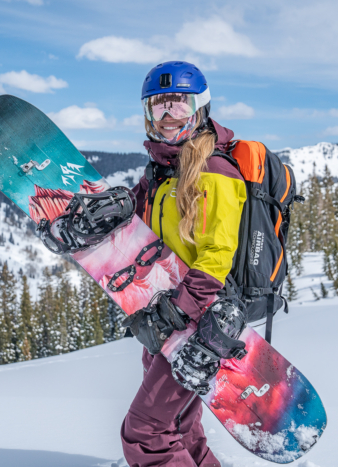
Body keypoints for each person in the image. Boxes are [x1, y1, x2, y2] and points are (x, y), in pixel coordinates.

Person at [120, 61, 247, 467]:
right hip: (163, 317)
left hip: (197, 321)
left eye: (179, 104)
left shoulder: (214, 170)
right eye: (159, 107)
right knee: (178, 424)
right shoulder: (160, 171)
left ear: (200, 108)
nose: (169, 116)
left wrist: (179, 309)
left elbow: (217, 255)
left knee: (146, 433)